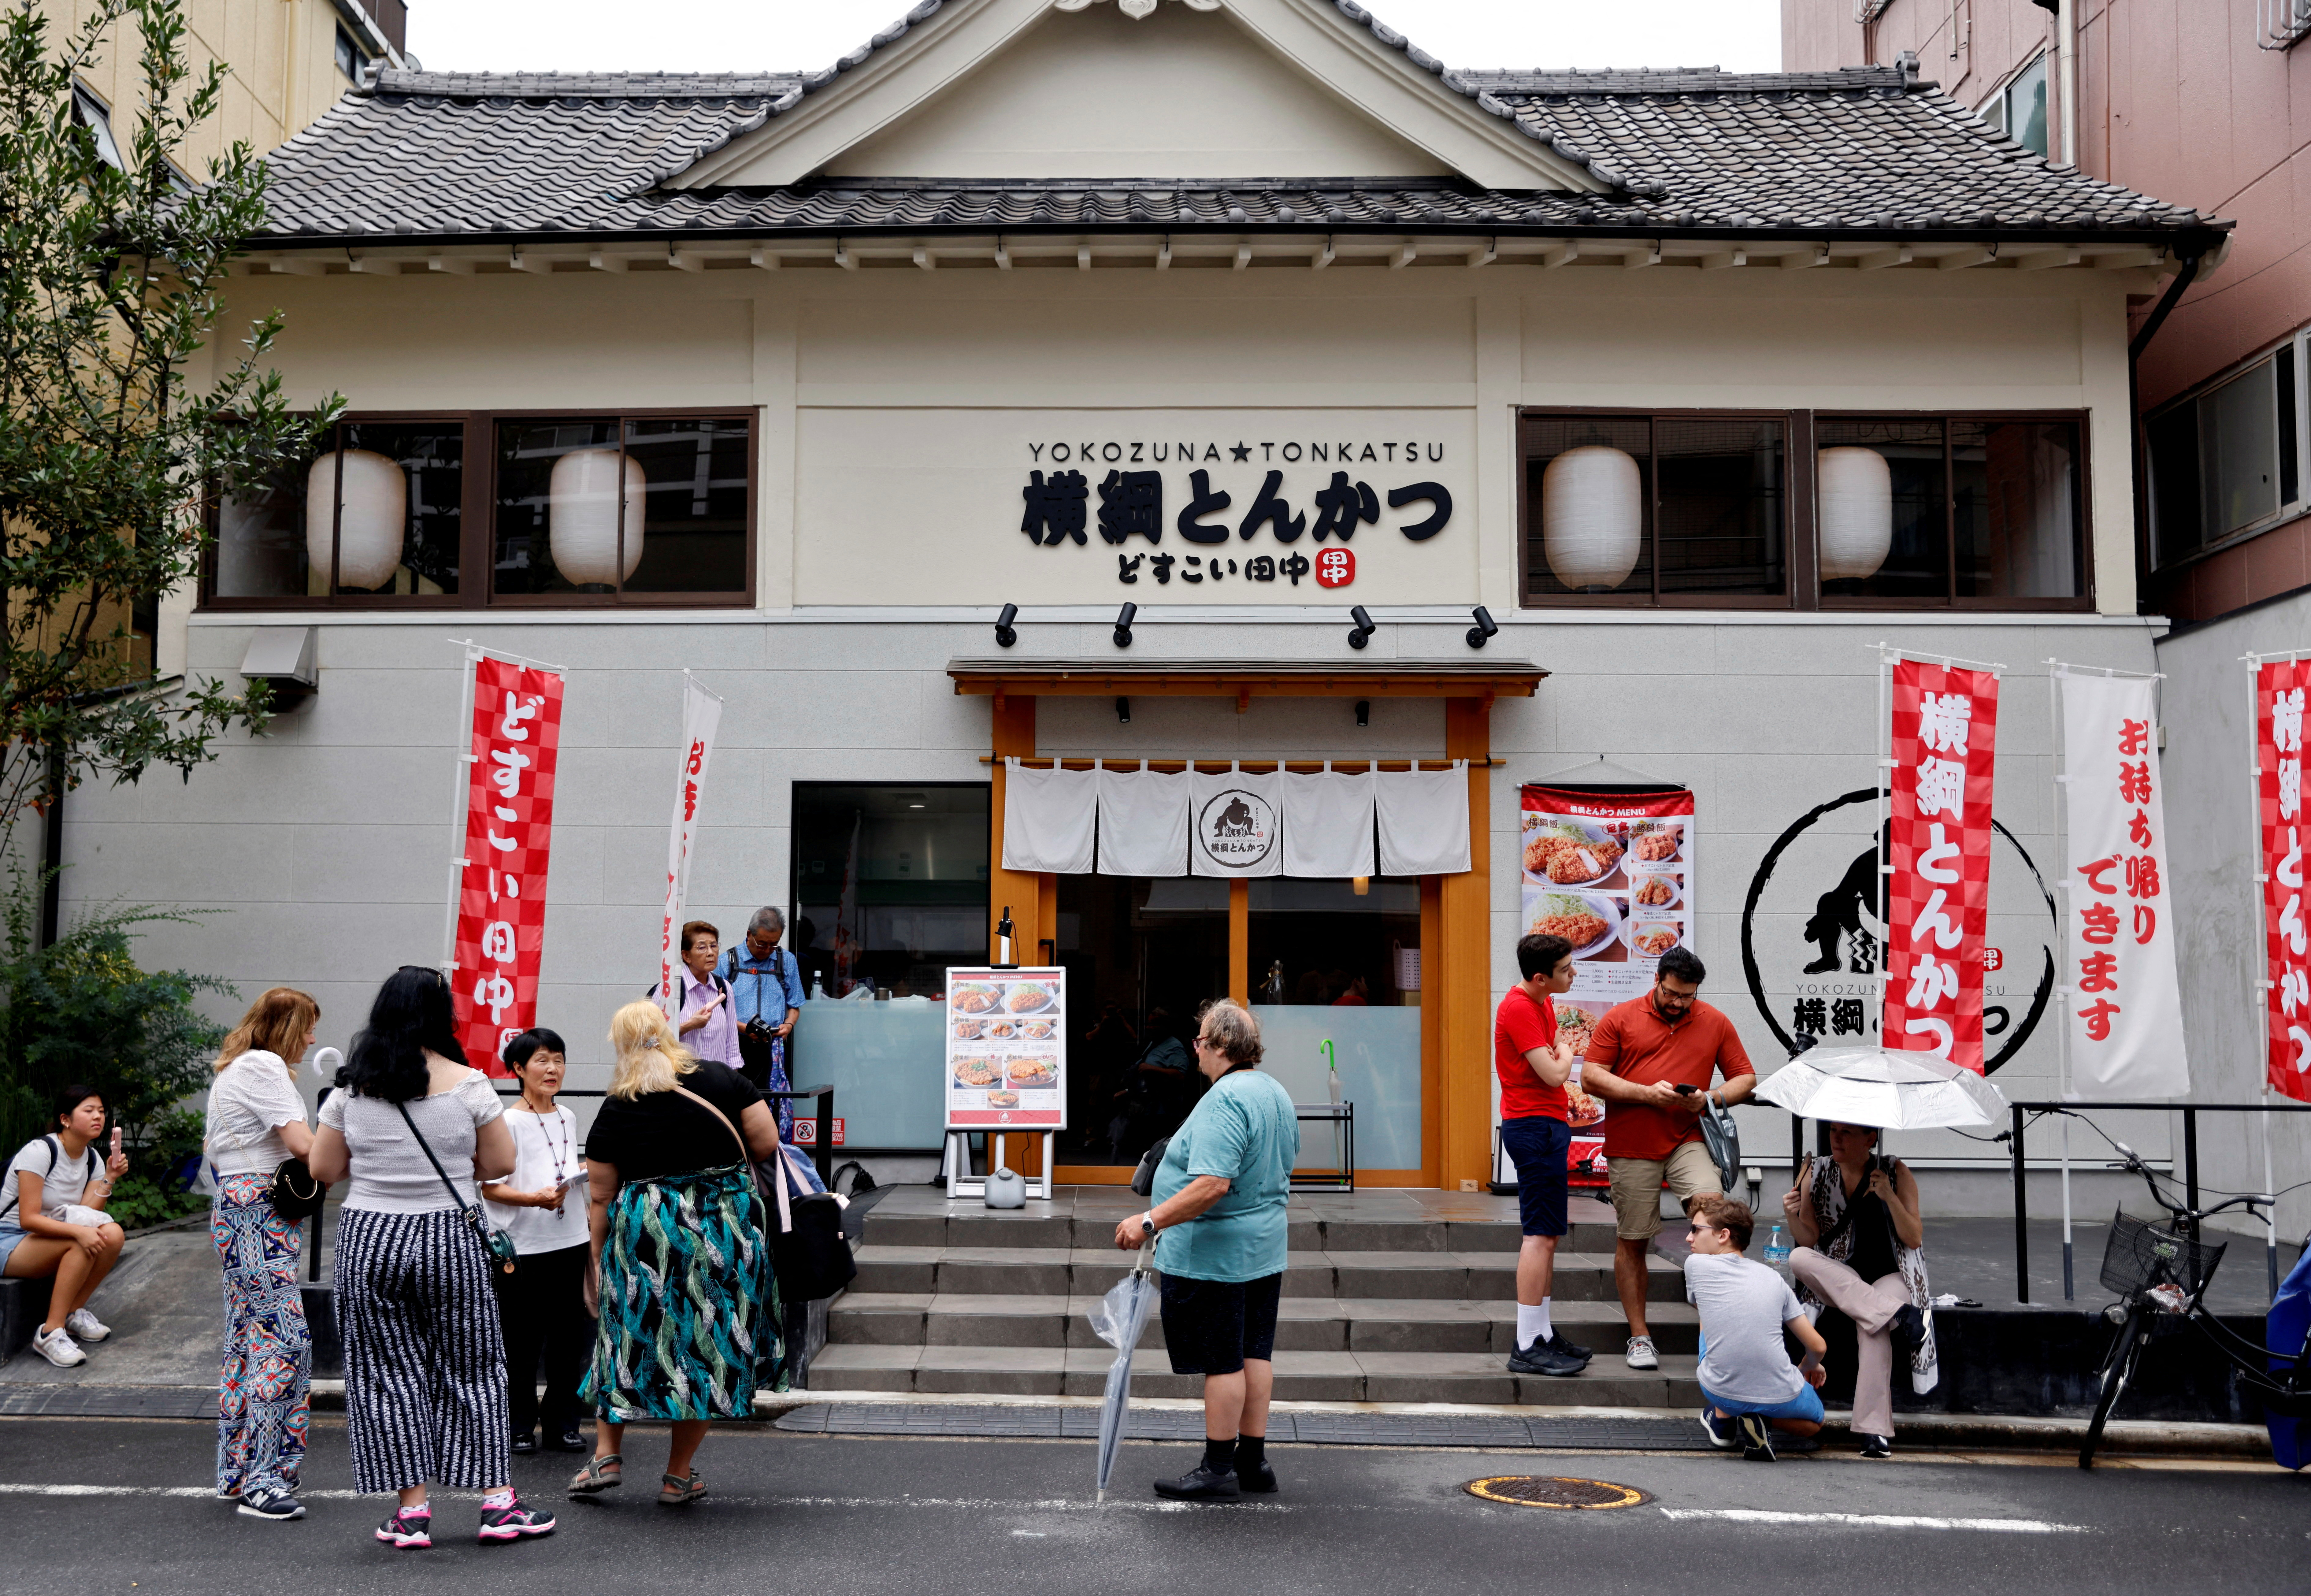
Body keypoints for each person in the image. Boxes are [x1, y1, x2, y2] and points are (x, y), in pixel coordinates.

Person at [306, 967, 555, 1549]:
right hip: (448, 1235)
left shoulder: (350, 1088)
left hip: (370, 1237)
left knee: (386, 1375)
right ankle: (497, 1502)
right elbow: (499, 1164)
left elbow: (323, 1170)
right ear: (441, 1015)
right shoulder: (469, 1084)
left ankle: (412, 1512)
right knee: (474, 1366)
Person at [572, 1000, 787, 1507]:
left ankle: (606, 1454)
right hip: (724, 1228)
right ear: (669, 1032)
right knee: (706, 1343)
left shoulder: (619, 1102)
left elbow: (600, 1195)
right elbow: (766, 1141)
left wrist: (599, 1257)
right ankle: (677, 1475)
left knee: (624, 1337)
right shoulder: (722, 1079)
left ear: (621, 1045)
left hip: (648, 1234)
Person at [1111, 999, 1299, 1502]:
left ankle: (1218, 1467)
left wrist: (1148, 1220)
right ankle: (1252, 1461)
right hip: (1264, 1244)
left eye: (1199, 1040)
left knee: (1223, 1362)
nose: (1195, 1049)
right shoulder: (1274, 1091)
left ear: (1217, 1045)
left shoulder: (1224, 1100)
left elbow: (1213, 1183)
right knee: (1254, 1351)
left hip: (1216, 1254)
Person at [1576, 947, 1757, 1371]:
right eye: (1673, 993)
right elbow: (1590, 1076)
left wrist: (1709, 1098)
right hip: (1633, 1143)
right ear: (1658, 980)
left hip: (1688, 1138)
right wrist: (1646, 1093)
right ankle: (1640, 1336)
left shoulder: (1714, 1020)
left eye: (1687, 996)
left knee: (1715, 1219)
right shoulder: (1621, 1017)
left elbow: (1746, 1078)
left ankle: (1717, 1329)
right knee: (1635, 1238)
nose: (1678, 1003)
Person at [204, 988, 324, 1520]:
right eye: (308, 1027)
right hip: (257, 1211)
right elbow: (305, 1145)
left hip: (239, 1208)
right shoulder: (262, 1065)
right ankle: (264, 1479)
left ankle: (238, 1469)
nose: (313, 1039)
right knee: (285, 1341)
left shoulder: (238, 1068)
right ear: (286, 1027)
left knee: (247, 1341)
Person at [1784, 1122, 1932, 1460]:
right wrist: (1790, 1213)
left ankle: (1873, 1431)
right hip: (1842, 1272)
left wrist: (1889, 1197)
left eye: (1846, 1132)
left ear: (1870, 1139)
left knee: (1873, 1325)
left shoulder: (1895, 1171)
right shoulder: (1817, 1171)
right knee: (1797, 1257)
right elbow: (1808, 1240)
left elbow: (1913, 1238)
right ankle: (1899, 1315)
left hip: (1891, 1275)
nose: (1835, 1138)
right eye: (1834, 1131)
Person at [481, 1028, 592, 1458]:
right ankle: (519, 1425)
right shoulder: (507, 1121)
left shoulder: (567, 1115)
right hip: (524, 1246)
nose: (553, 1069)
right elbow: (488, 1186)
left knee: (569, 1340)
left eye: (559, 1059)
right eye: (543, 1060)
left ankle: (564, 1424)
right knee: (522, 1343)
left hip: (570, 1241)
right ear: (518, 1069)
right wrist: (534, 1198)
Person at [1493, 933, 1590, 1378]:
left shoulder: (1543, 1002)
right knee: (1538, 1234)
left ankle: (1543, 1333)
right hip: (1532, 1126)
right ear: (1539, 977)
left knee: (1550, 1233)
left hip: (1546, 1124)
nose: (1574, 973)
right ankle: (1527, 1341)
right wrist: (1569, 1052)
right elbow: (1554, 1070)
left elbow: (1551, 1056)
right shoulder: (1518, 1007)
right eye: (1567, 968)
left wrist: (1559, 1051)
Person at [1684, 1194, 1828, 1462]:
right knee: (1815, 1424)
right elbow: (1818, 1346)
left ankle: (1725, 1416)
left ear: (1723, 1235)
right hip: (1780, 1392)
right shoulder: (1774, 1278)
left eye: (1696, 1230)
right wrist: (1810, 1365)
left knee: (1710, 1312)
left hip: (1718, 1390)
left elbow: (1705, 1310)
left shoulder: (1695, 1265)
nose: (1689, 1239)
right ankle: (1757, 1417)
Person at [0, 1085, 128, 1370]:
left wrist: (109, 1177)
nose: (99, 1117)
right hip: (9, 1239)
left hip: (43, 1238)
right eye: (89, 1111)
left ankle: (72, 1313)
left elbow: (85, 1215)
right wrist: (78, 1232)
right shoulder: (40, 1151)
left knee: (113, 1234)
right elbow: (28, 1219)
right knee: (81, 1241)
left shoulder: (92, 1159)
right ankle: (50, 1333)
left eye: (102, 1112)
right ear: (66, 1120)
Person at [723, 907, 806, 1110]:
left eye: (773, 944)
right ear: (749, 934)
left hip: (773, 1046)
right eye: (762, 944)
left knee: (772, 1103)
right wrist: (745, 1029)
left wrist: (789, 1024)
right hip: (735, 1045)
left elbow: (795, 1005)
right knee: (735, 1101)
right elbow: (715, 1013)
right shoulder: (727, 961)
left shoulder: (786, 961)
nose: (767, 949)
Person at [661, 920, 741, 1072]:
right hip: (681, 1084)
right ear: (686, 956)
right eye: (702, 947)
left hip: (718, 1084)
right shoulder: (669, 989)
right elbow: (652, 1041)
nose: (711, 953)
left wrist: (733, 1084)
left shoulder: (724, 988)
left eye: (714, 946)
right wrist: (689, 1026)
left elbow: (732, 1045)